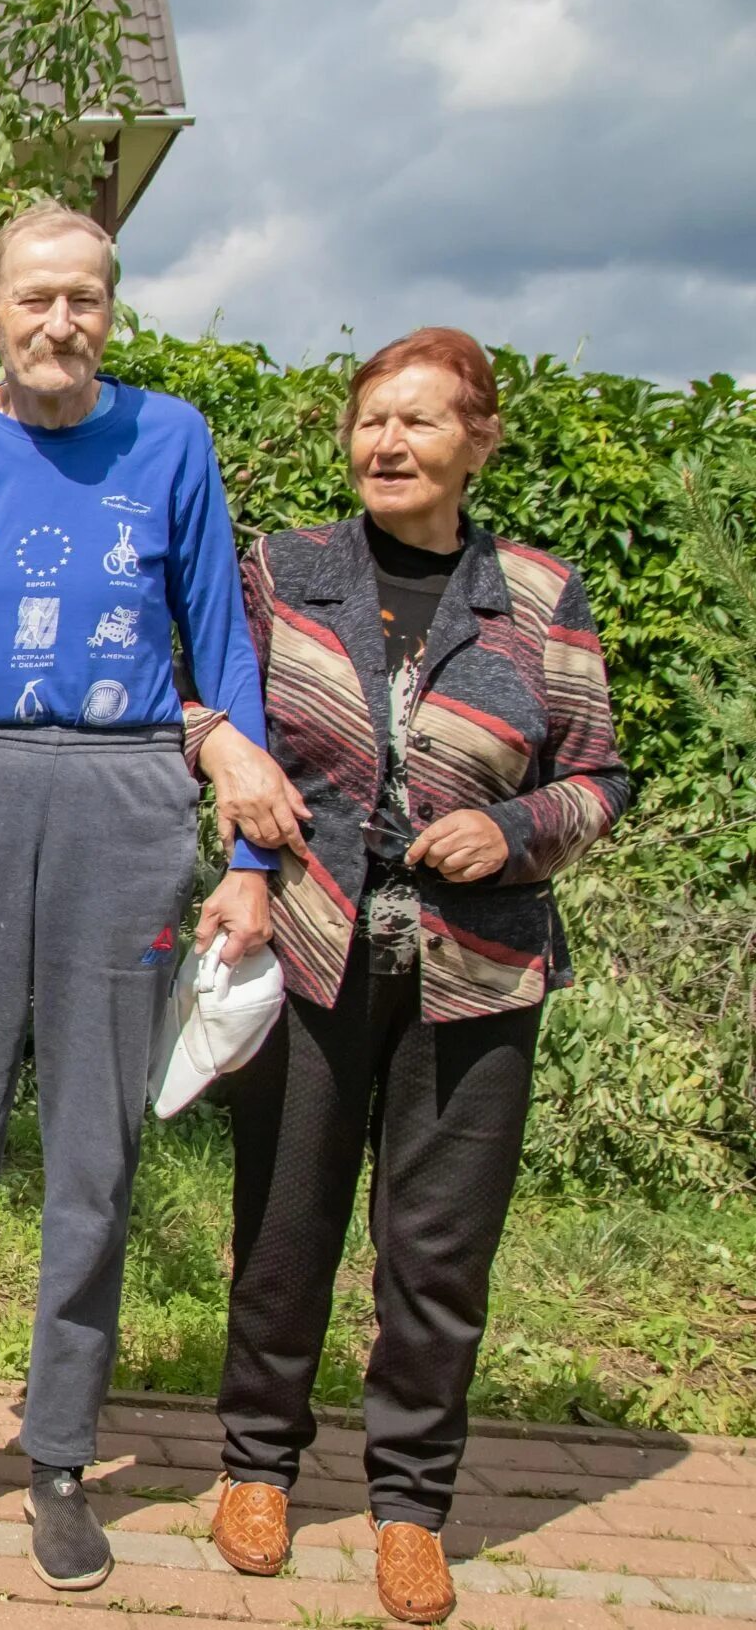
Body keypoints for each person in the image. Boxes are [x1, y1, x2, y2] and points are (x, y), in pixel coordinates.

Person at [0, 202, 300, 1591]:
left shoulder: (173, 439)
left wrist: (255, 862)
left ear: (110, 309)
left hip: (123, 804)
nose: (60, 322)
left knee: (94, 1157)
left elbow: (222, 650)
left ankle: (59, 1453)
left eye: (84, 298)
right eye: (34, 298)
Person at [191, 329, 629, 1625]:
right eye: (373, 420)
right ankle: (255, 1464)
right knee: (282, 1224)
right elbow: (206, 708)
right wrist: (235, 809)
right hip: (311, 944)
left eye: (420, 423)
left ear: (477, 441)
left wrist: (518, 829)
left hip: (479, 967)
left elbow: (599, 774)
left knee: (438, 1250)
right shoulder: (287, 571)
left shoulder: (539, 597)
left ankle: (409, 1503)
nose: (388, 443)